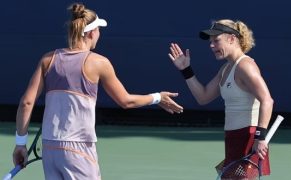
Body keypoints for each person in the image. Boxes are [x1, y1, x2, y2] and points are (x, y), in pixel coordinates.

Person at [12, 3, 183, 180]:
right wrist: (157, 97)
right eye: (99, 30)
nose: (99, 35)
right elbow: (126, 101)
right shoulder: (99, 63)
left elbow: (26, 102)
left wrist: (20, 144)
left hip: (50, 148)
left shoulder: (48, 60)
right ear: (91, 33)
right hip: (78, 150)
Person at [168, 19, 274, 179]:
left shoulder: (246, 66)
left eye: (216, 41)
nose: (211, 46)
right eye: (210, 42)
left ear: (232, 38)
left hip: (248, 137)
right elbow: (203, 97)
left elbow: (267, 100)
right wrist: (186, 70)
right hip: (233, 138)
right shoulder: (226, 69)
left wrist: (260, 137)